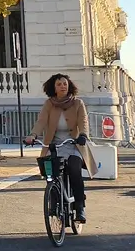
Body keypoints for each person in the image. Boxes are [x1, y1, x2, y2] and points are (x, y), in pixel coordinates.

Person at [24, 73, 93, 223]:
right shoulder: (49, 104)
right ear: (53, 88)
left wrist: (83, 134)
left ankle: (80, 206)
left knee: (74, 168)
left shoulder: (77, 103)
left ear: (69, 86)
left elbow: (83, 122)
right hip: (54, 145)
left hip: (74, 144)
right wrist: (33, 135)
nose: (63, 86)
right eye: (59, 84)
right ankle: (54, 202)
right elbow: (41, 121)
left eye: (65, 84)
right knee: (50, 173)